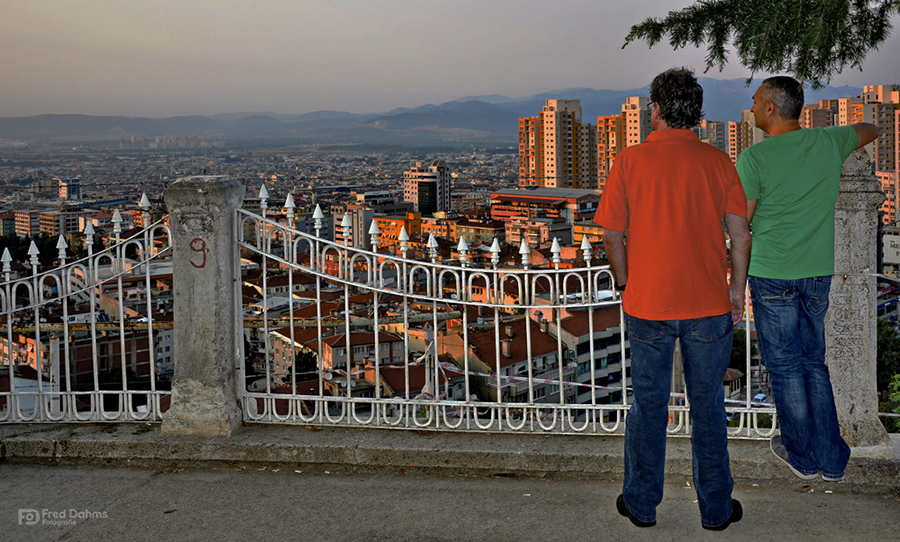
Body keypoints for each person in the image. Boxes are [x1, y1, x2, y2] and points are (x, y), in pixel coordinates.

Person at [594, 68, 751, 531]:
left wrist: (625, 284)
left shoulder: (629, 161)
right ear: (696, 113)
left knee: (648, 406)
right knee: (708, 409)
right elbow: (740, 236)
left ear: (656, 109)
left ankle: (641, 505)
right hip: (708, 306)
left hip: (647, 305)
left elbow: (612, 234)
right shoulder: (719, 161)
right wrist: (735, 291)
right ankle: (717, 510)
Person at [736, 76, 880, 483]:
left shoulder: (754, 159)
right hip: (816, 272)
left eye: (755, 100)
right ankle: (832, 460)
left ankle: (801, 454)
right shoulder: (828, 141)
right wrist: (840, 138)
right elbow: (872, 129)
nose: (750, 105)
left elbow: (742, 225)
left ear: (770, 109)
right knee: (814, 363)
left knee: (784, 368)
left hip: (770, 275)